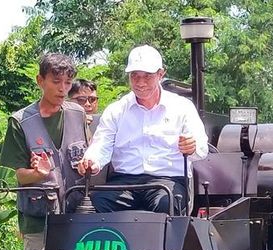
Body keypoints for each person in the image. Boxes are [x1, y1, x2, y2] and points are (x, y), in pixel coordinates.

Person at [0, 52, 89, 250]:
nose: (63, 88)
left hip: (77, 215)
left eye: (67, 82)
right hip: (40, 217)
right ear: (40, 81)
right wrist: (37, 174)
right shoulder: (20, 122)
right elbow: (18, 175)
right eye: (56, 81)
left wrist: (90, 165)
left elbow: (88, 156)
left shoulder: (78, 114)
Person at [78, 45, 208, 215]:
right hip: (124, 181)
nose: (140, 83)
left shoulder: (182, 107)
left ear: (160, 74)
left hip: (167, 181)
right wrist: (91, 161)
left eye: (147, 76)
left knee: (166, 203)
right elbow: (102, 143)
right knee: (93, 205)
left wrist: (191, 147)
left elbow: (202, 149)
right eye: (134, 76)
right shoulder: (116, 110)